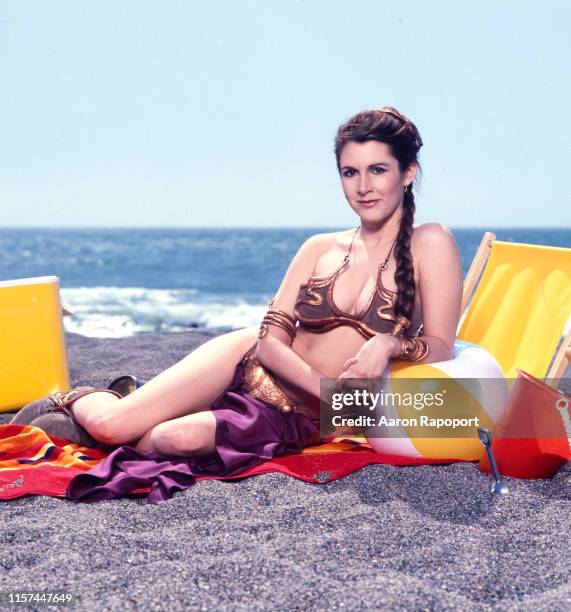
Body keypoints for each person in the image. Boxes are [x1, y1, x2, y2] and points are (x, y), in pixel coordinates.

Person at [11, 106, 463, 476]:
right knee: (113, 426)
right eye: (350, 172)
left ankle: (114, 410)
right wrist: (331, 394)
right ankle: (76, 399)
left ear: (407, 173)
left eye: (378, 170)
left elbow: (442, 347)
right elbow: (268, 343)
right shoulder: (319, 247)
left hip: (298, 415)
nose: (363, 187)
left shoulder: (431, 242)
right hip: (246, 360)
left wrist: (387, 344)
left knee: (171, 439)